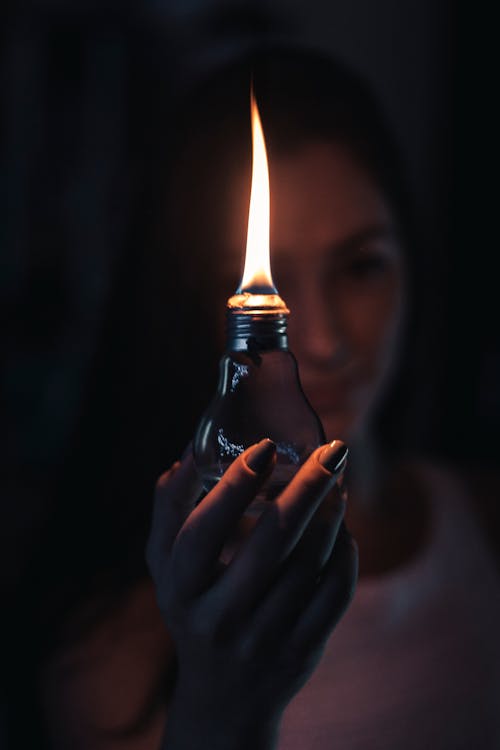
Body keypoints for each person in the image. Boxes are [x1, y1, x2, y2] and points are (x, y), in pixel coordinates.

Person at [14, 42, 499, 750]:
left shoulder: (487, 524)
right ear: (184, 305)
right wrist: (221, 708)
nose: (326, 339)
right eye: (274, 295)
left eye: (361, 266)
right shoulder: (120, 663)